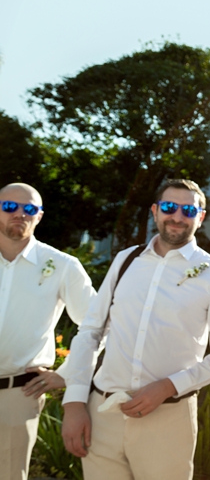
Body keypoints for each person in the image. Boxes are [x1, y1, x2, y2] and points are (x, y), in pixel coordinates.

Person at [61, 179, 210, 479]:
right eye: (170, 207)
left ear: (201, 217)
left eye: (189, 210)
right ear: (155, 211)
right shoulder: (125, 259)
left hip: (168, 419)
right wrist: (75, 402)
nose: (178, 217)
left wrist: (169, 386)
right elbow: (91, 331)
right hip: (102, 411)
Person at [0, 183, 95, 480]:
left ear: (38, 216)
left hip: (17, 393)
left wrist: (66, 373)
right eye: (9, 207)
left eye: (28, 209)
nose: (19, 214)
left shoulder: (63, 266)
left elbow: (98, 326)